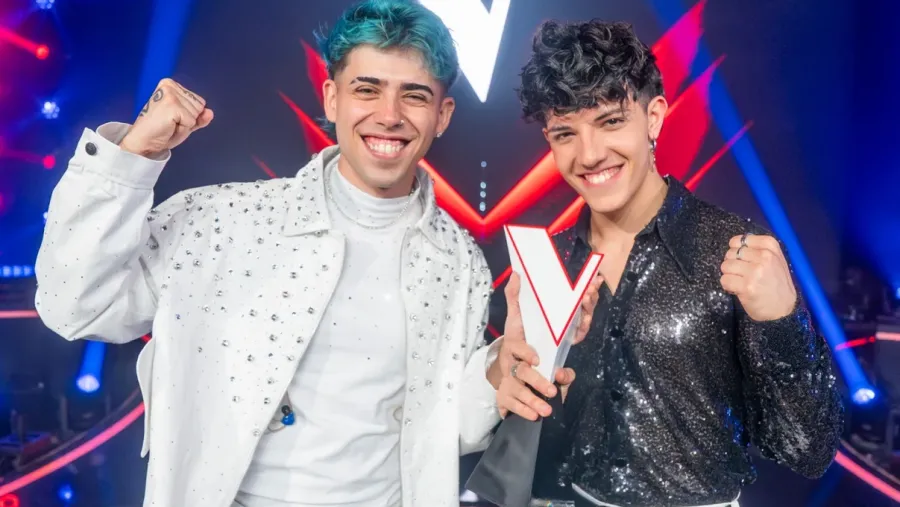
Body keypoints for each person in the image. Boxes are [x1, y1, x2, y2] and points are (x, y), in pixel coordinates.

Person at [33, 2, 600, 506]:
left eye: (414, 95)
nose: (389, 114)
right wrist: (133, 156)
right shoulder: (220, 220)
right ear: (331, 97)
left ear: (442, 115)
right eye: (367, 89)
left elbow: (439, 432)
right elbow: (74, 304)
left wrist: (499, 371)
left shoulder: (458, 261)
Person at [492, 19, 844, 507]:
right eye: (565, 133)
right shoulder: (546, 263)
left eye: (610, 122)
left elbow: (809, 451)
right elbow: (526, 427)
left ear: (653, 117)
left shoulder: (734, 250)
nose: (589, 154)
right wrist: (507, 376)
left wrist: (784, 323)